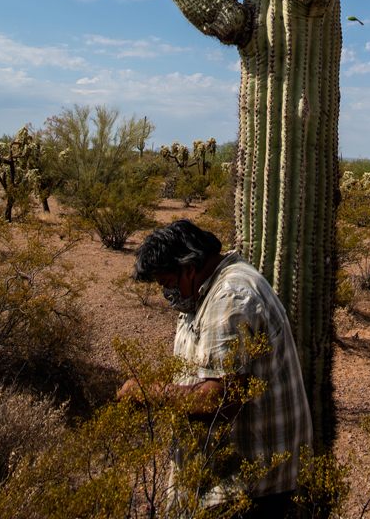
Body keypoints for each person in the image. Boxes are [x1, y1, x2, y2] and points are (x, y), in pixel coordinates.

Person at [120, 219, 312, 517]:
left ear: (190, 267)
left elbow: (218, 399)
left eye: (168, 284)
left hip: (251, 490)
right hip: (238, 482)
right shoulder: (205, 290)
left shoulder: (230, 298)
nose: (167, 295)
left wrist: (147, 393)